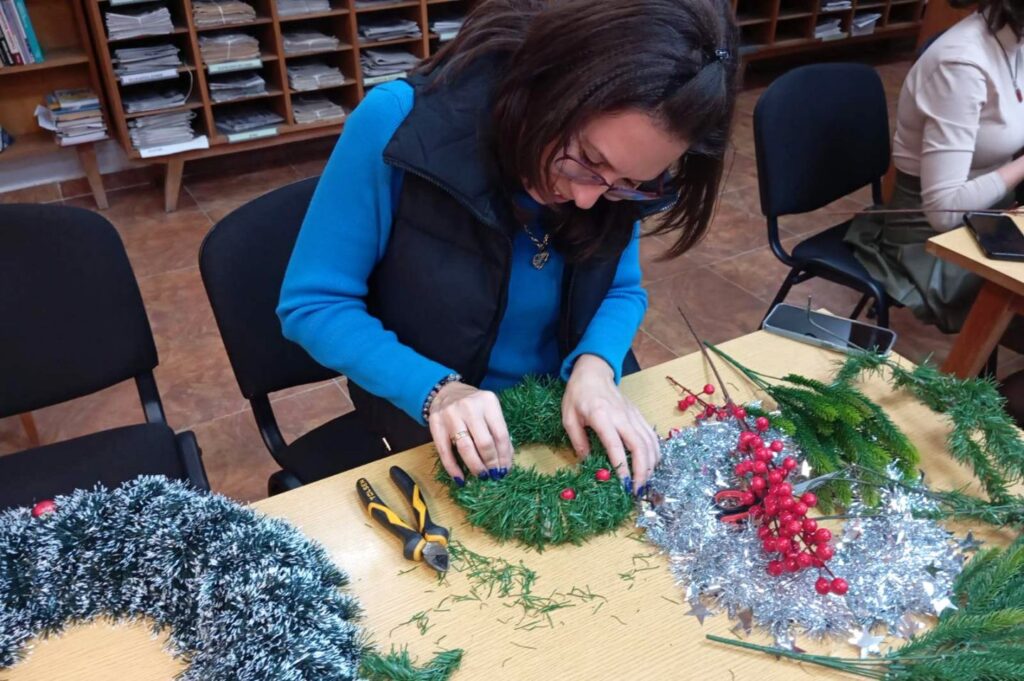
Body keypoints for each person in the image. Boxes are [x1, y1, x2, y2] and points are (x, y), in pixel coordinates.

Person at [277, 0, 738, 495]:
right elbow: (314, 305)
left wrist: (597, 367)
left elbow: (621, 290)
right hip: (427, 412)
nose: (587, 200)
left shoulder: (612, 177)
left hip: (563, 409)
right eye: (587, 158)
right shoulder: (396, 123)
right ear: (550, 87)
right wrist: (438, 392)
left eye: (628, 183)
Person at [845, 0, 1024, 333]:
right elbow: (943, 211)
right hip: (926, 239)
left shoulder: (1014, 43)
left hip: (991, 218)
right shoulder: (961, 64)